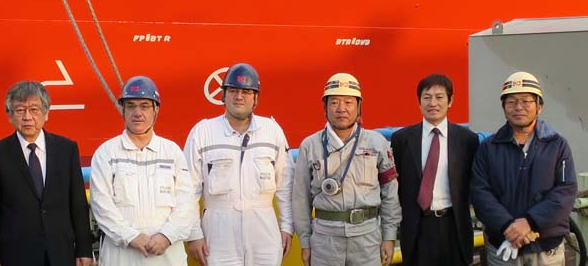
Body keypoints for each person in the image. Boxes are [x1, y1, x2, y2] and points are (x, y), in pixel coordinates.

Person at [183, 62, 294, 266]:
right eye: (233, 90)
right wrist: (194, 234)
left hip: (264, 232)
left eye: (246, 91)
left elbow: (285, 185)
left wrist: (287, 226)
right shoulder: (203, 132)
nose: (239, 96)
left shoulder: (272, 131)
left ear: (256, 98)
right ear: (223, 95)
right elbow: (189, 189)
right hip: (218, 233)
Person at [0, 80, 94, 266]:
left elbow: (78, 204)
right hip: (16, 255)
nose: (27, 117)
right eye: (19, 110)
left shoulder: (67, 149)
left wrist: (84, 250)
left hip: (61, 253)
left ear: (46, 113)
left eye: (34, 109)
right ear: (9, 115)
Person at [292, 73, 400, 266]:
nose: (341, 109)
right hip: (325, 241)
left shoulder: (377, 143)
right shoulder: (310, 146)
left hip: (367, 239)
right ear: (324, 107)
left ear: (359, 106)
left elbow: (390, 193)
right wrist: (305, 243)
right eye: (334, 102)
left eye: (348, 102)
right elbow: (301, 198)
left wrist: (389, 236)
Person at [471, 71, 576, 266]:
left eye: (526, 101)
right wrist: (508, 227)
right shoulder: (489, 148)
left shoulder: (557, 145)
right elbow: (480, 193)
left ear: (539, 106)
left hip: (547, 250)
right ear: (504, 107)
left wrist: (529, 222)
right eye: (511, 102)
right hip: (502, 247)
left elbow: (565, 192)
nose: (518, 107)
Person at [89, 76, 197, 266]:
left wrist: (166, 236)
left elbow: (186, 204)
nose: (137, 112)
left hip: (167, 254)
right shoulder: (106, 153)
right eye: (131, 106)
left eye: (145, 106)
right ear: (123, 109)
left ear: (156, 110)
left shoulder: (172, 152)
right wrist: (131, 237)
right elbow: (101, 205)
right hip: (122, 255)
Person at [391, 74, 479, 266]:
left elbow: (475, 184)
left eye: (439, 97)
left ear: (450, 101)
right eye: (427, 97)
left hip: (454, 227)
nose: (433, 103)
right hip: (417, 227)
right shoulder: (402, 139)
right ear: (419, 102)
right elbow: (395, 186)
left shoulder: (467, 140)